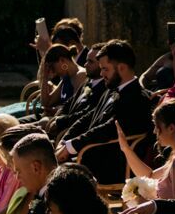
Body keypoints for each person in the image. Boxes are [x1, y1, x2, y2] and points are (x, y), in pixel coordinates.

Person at [56, 39, 152, 182]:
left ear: (122, 68)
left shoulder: (136, 98)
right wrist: (65, 141)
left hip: (107, 166)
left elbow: (109, 129)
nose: (101, 74)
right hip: (89, 155)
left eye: (105, 69)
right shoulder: (112, 89)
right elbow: (89, 116)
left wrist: (72, 146)